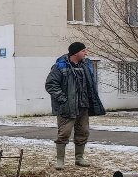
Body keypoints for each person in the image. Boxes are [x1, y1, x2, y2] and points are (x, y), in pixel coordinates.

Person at [45, 42, 105, 170]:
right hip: (67, 107)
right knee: (64, 134)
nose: (86, 53)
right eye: (83, 51)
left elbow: (91, 84)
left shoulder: (86, 65)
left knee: (83, 132)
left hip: (83, 106)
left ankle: (79, 158)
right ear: (76, 52)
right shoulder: (60, 66)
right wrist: (63, 100)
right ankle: (60, 160)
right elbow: (51, 85)